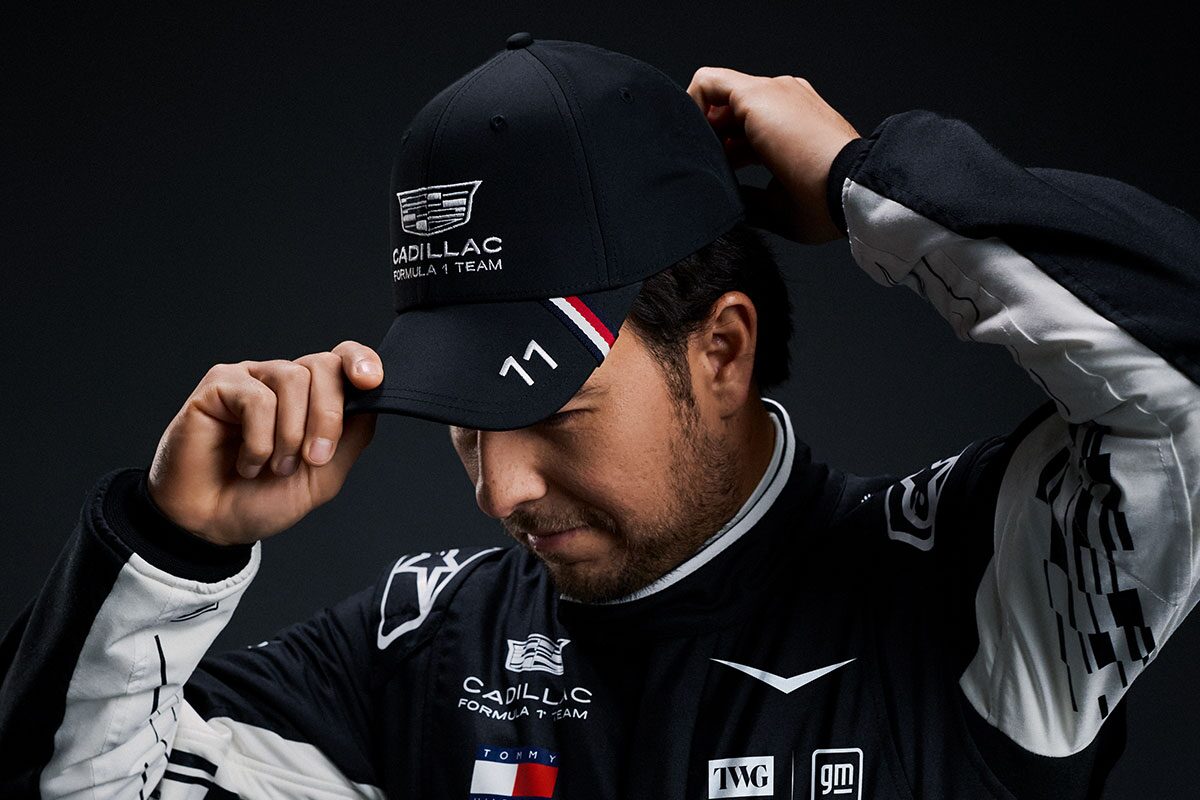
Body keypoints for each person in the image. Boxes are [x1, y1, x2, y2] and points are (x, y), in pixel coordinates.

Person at [2, 32, 1197, 800]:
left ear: (721, 349)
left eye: (553, 406)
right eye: (466, 417)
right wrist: (170, 548)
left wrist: (872, 186)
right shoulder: (424, 653)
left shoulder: (986, 597)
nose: (497, 487)